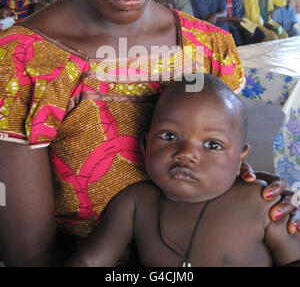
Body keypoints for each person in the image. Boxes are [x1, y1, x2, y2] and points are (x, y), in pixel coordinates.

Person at [0, 0, 298, 268]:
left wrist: (263, 196)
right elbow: (28, 254)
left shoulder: (207, 46)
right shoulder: (22, 62)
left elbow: (228, 166)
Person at [67, 75, 300, 268]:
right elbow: (90, 261)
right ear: (145, 145)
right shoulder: (135, 203)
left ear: (240, 159)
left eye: (212, 145)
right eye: (169, 136)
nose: (186, 153)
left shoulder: (260, 203)